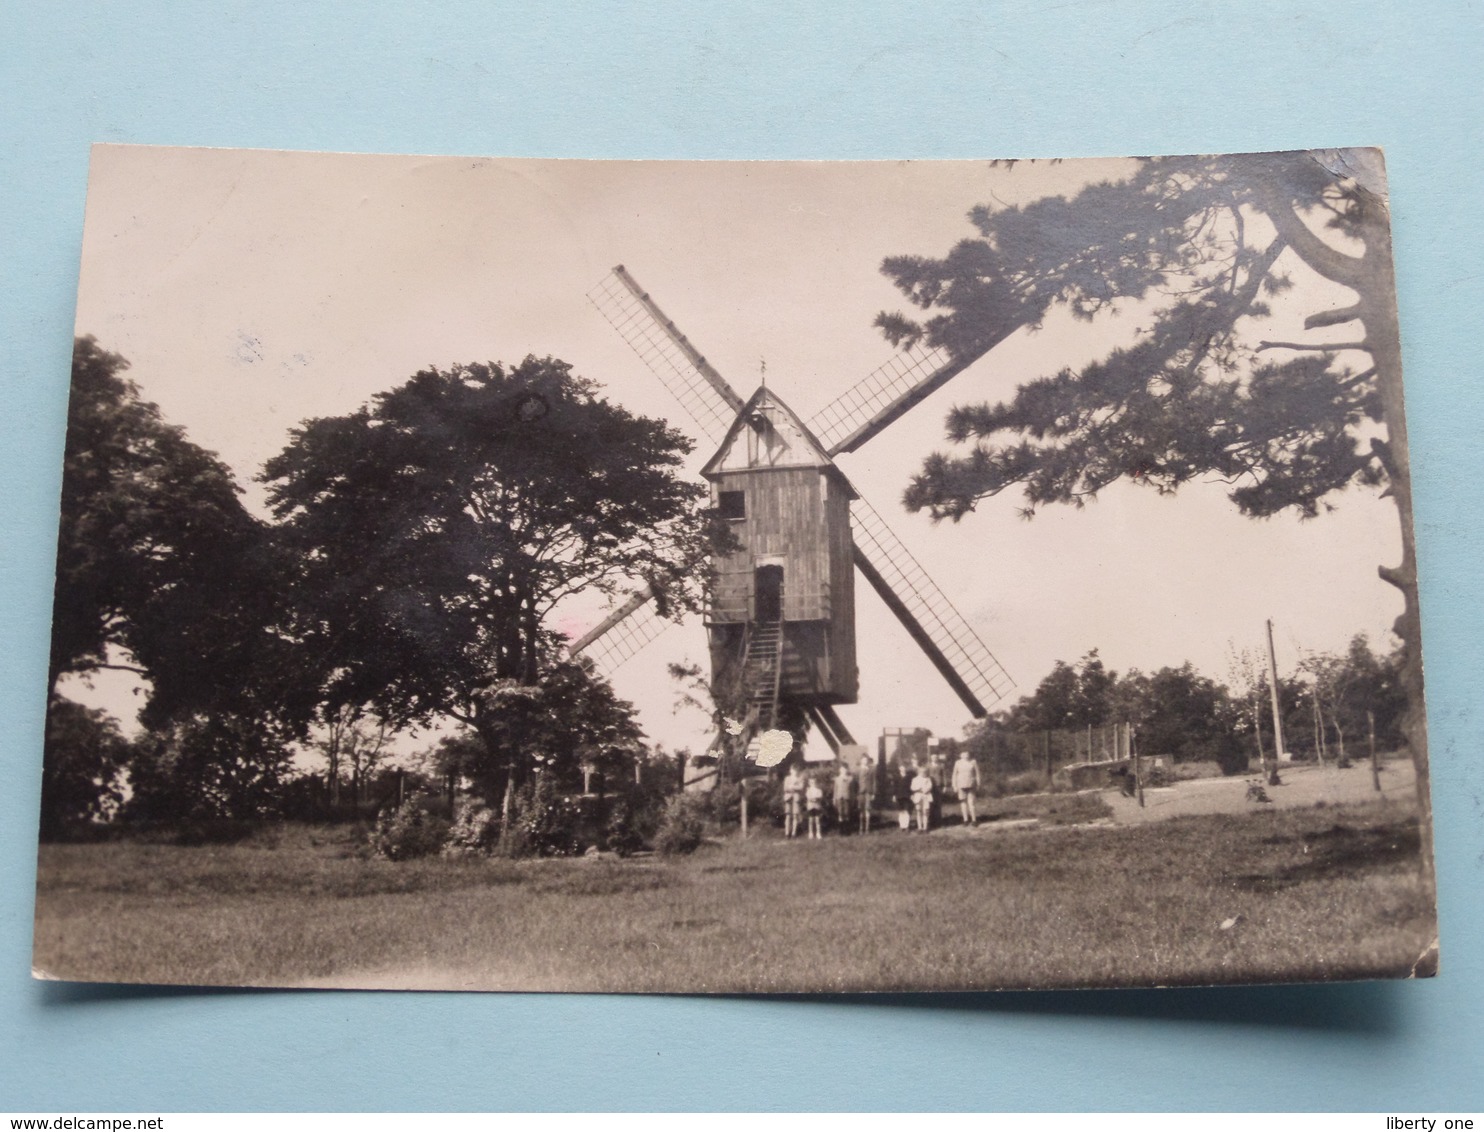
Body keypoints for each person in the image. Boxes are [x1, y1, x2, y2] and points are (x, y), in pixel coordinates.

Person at [952, 750, 982, 826]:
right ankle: (965, 820)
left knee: (971, 803)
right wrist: (954, 785)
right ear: (960, 755)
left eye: (967, 754)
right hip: (960, 785)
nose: (966, 755)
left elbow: (977, 773)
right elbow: (954, 775)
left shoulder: (973, 762)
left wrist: (978, 784)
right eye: (964, 754)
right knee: (963, 802)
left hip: (971, 784)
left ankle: (974, 820)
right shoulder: (957, 762)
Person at [782, 764, 805, 838]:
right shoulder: (787, 778)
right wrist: (792, 787)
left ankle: (794, 833)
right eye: (792, 770)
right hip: (788, 798)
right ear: (790, 770)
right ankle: (787, 832)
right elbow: (785, 788)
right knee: (788, 815)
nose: (793, 772)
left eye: (795, 770)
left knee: (795, 815)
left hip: (796, 798)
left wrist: (793, 787)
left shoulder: (800, 778)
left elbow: (801, 787)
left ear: (797, 771)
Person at [832, 763, 856, 835]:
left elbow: (852, 790)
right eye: (842, 769)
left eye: (844, 769)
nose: (843, 771)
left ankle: (847, 830)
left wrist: (853, 798)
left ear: (847, 770)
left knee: (846, 813)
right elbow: (835, 790)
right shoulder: (837, 779)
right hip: (839, 797)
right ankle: (841, 830)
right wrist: (834, 798)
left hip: (847, 797)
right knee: (840, 813)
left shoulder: (850, 778)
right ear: (839, 770)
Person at [910, 763, 934, 832]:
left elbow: (930, 786)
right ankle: (920, 827)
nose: (923, 773)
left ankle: (925, 827)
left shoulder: (928, 779)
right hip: (918, 796)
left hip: (926, 796)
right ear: (918, 772)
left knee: (925, 811)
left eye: (925, 772)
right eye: (921, 772)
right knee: (918, 811)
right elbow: (912, 787)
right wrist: (918, 789)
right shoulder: (915, 779)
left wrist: (927, 789)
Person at [856, 754, 876, 834]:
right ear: (861, 761)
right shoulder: (857, 770)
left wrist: (873, 793)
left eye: (866, 760)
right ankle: (861, 828)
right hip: (860, 792)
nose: (865, 761)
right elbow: (855, 782)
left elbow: (874, 781)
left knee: (867, 809)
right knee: (861, 810)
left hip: (868, 792)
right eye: (863, 760)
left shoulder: (871, 770)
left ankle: (867, 828)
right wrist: (856, 793)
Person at [805, 775, 825, 840]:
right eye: (811, 782)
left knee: (817, 820)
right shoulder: (808, 790)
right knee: (810, 820)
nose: (813, 784)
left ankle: (818, 833)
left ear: (816, 783)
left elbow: (820, 796)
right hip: (810, 806)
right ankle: (810, 833)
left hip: (817, 806)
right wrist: (813, 798)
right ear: (809, 783)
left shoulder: (819, 790)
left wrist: (815, 798)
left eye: (814, 782)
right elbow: (808, 797)